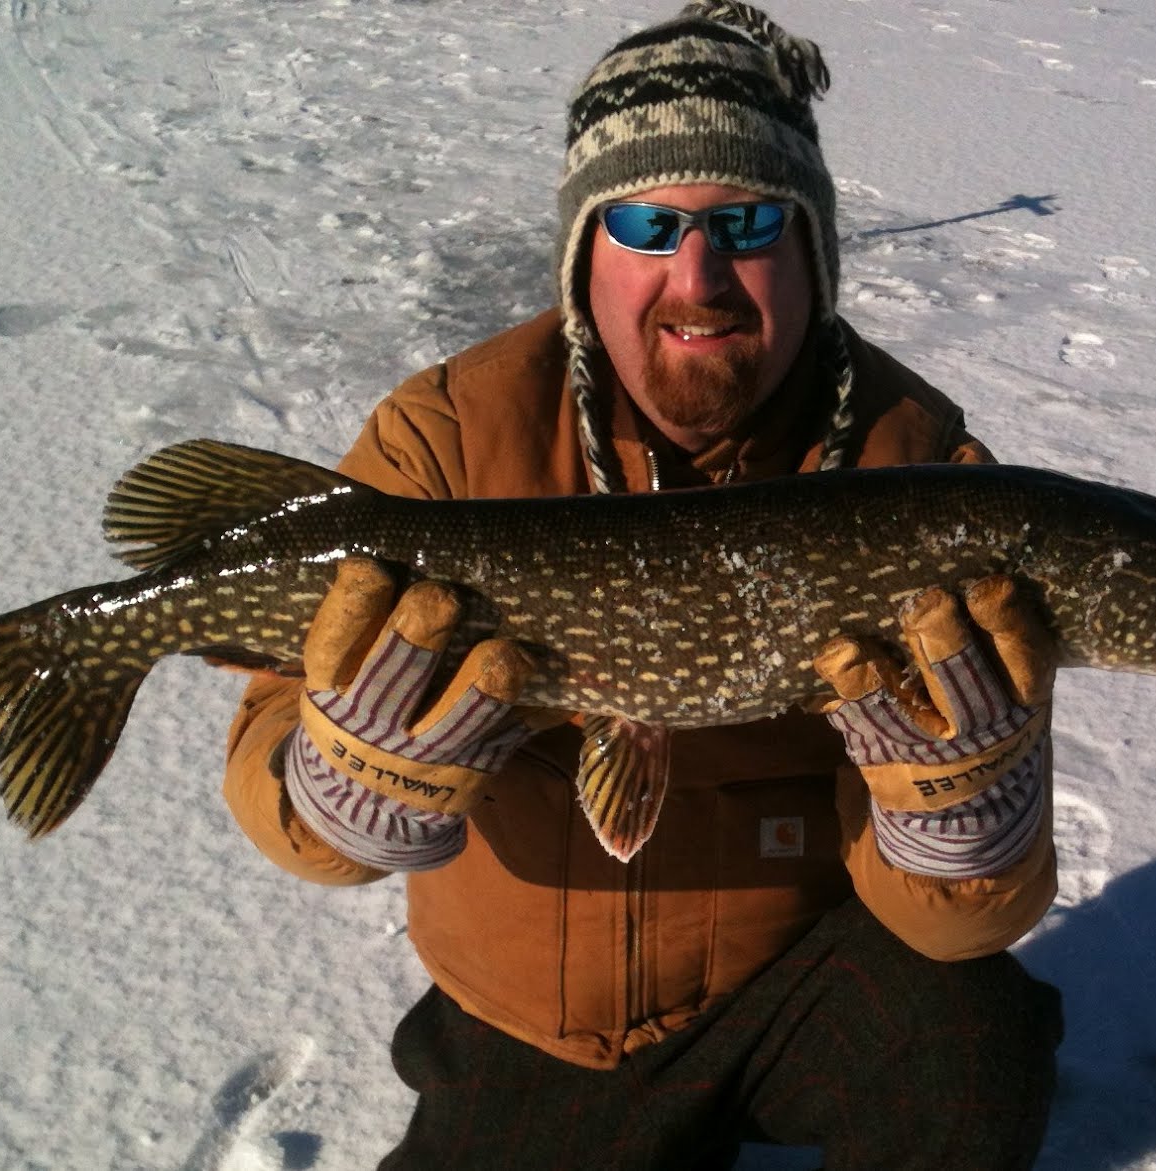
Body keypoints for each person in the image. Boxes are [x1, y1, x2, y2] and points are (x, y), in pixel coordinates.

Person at [223, 3, 1064, 1167]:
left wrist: (962, 832)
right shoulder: (447, 439)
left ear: (810, 247)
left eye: (748, 221)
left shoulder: (917, 470)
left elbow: (952, 924)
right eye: (647, 223)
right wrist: (327, 793)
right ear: (585, 253)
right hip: (537, 1021)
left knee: (976, 1035)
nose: (698, 275)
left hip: (797, 984)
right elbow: (280, 728)